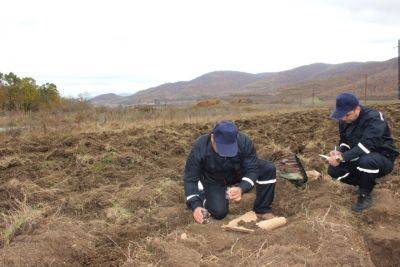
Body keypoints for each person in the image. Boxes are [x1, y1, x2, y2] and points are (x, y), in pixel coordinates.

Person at [183, 120, 276, 224]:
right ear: (213, 137)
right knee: (219, 213)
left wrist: (242, 187)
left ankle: (262, 209)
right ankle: (204, 195)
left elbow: (252, 169)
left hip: (238, 171)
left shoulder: (244, 141)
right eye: (221, 148)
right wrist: (196, 206)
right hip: (213, 179)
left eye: (229, 148)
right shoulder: (200, 146)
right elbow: (190, 178)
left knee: (268, 168)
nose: (225, 154)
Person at [327, 93, 399, 212]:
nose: (344, 118)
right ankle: (366, 183)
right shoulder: (344, 120)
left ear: (357, 109)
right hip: (358, 157)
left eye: (347, 114)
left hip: (382, 158)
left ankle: (365, 194)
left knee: (367, 161)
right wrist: (338, 152)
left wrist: (341, 158)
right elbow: (344, 142)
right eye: (341, 115)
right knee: (333, 170)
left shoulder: (374, 118)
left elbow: (366, 146)